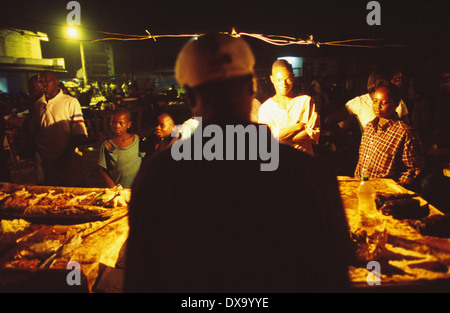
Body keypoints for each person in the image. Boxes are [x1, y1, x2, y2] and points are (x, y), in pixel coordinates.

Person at [124, 33, 351, 293]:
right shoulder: (311, 173)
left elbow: (140, 280)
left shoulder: (156, 175)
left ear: (189, 97)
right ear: (253, 88)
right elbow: (333, 277)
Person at [354, 83, 425, 189]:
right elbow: (361, 162)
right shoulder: (369, 127)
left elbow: (414, 170)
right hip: (362, 188)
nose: (378, 106)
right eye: (375, 101)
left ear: (396, 104)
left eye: (384, 102)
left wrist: (395, 189)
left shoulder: (404, 132)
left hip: (386, 192)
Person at [29, 71, 88, 186]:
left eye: (47, 80)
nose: (44, 84)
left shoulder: (70, 102)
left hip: (67, 158)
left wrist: (64, 157)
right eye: (41, 81)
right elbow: (34, 130)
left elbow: (79, 134)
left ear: (57, 82)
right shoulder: (38, 104)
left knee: (73, 191)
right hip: (45, 159)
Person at [258, 59, 320, 155]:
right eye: (279, 80)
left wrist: (279, 138)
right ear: (272, 79)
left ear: (293, 78)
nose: (283, 84)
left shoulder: (305, 101)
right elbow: (264, 140)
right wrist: (298, 127)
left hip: (304, 162)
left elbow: (311, 133)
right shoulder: (265, 109)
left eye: (288, 79)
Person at [325, 69, 409, 133]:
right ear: (381, 82)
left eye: (400, 79)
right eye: (396, 79)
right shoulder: (360, 103)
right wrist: (347, 139)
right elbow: (330, 120)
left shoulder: (399, 102)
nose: (400, 83)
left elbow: (407, 129)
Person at [98, 106, 145, 188]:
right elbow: (103, 170)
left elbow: (144, 162)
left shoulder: (137, 140)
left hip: (138, 188)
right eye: (113, 122)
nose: (117, 126)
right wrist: (113, 187)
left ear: (128, 124)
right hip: (119, 190)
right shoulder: (107, 145)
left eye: (121, 123)